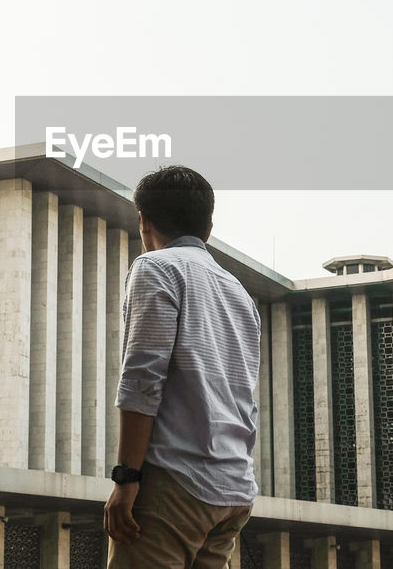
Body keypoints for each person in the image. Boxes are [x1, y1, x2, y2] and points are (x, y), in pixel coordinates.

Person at [104, 165, 261, 568]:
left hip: (176, 483)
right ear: (208, 227)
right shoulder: (239, 292)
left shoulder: (156, 268)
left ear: (143, 221)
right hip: (233, 491)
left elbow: (142, 380)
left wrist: (127, 478)